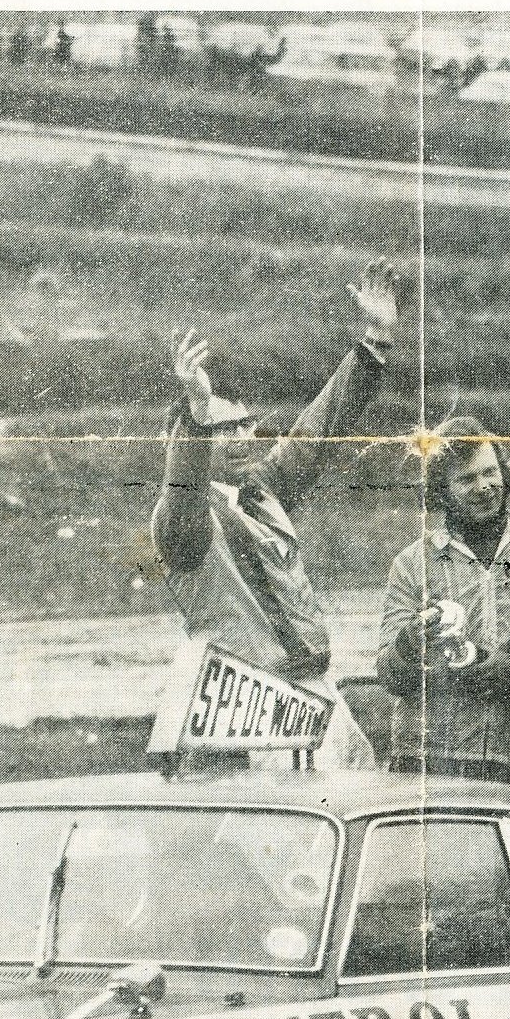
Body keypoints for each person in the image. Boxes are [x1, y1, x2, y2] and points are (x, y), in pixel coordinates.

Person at [150, 257, 404, 771]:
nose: (244, 436)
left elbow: (319, 428)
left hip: (312, 691)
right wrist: (197, 417)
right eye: (226, 428)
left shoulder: (263, 489)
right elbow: (183, 490)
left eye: (246, 424)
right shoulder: (184, 519)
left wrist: (375, 341)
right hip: (244, 710)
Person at [377, 418, 510, 783]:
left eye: (490, 472)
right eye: (467, 479)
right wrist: (409, 644)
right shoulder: (411, 563)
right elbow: (389, 676)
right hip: (428, 757)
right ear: (441, 491)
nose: (484, 487)